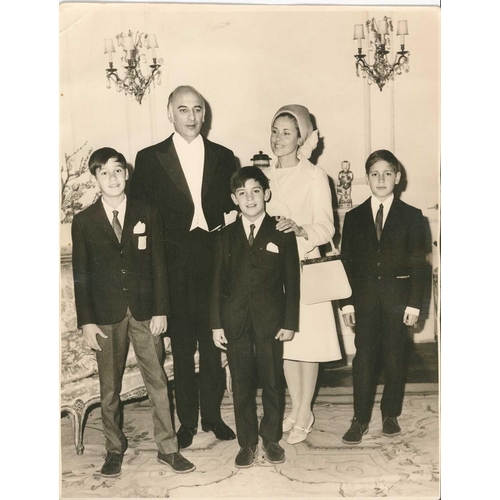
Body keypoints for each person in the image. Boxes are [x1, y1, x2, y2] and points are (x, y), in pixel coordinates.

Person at [71, 147, 196, 477]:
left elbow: (159, 265)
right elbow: (81, 276)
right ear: (95, 179)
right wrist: (86, 321)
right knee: (109, 389)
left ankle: (168, 448)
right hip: (105, 316)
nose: (112, 178)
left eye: (117, 171)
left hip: (144, 312)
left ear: (127, 174)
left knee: (157, 379)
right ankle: (114, 448)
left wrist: (161, 311)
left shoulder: (147, 212)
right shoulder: (84, 221)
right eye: (104, 173)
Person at [129, 86, 236, 449]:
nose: (191, 117)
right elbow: (141, 218)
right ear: (170, 114)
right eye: (183, 110)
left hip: (214, 259)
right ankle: (187, 422)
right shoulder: (149, 158)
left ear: (204, 114)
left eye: (197, 110)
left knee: (212, 342)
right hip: (172, 264)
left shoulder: (225, 157)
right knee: (184, 344)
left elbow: (232, 213)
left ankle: (213, 416)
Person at [210, 167, 300, 468]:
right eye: (242, 193)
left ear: (267, 194)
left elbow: (292, 282)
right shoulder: (225, 236)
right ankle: (246, 442)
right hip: (234, 320)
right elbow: (216, 283)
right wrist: (216, 323)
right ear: (234, 199)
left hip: (271, 321)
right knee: (242, 382)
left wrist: (289, 322)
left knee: (273, 380)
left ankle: (271, 438)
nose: (250, 198)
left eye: (256, 191)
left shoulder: (282, 233)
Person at [263, 105, 342, 445]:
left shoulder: (315, 177)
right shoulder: (263, 176)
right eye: (275, 130)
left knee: (307, 344)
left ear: (301, 138)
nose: (279, 138)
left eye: (287, 132)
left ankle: (304, 410)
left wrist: (300, 228)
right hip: (272, 269)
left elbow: (327, 227)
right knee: (285, 344)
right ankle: (295, 410)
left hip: (304, 267)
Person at [340, 149, 426, 444]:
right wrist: (346, 302)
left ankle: (390, 413)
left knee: (394, 357)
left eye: (387, 173)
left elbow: (418, 265)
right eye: (375, 174)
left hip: (398, 301)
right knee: (363, 359)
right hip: (363, 301)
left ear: (397, 178)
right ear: (366, 179)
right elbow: (346, 262)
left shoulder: (412, 216)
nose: (381, 179)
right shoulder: (353, 217)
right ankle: (359, 419)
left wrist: (415, 303)